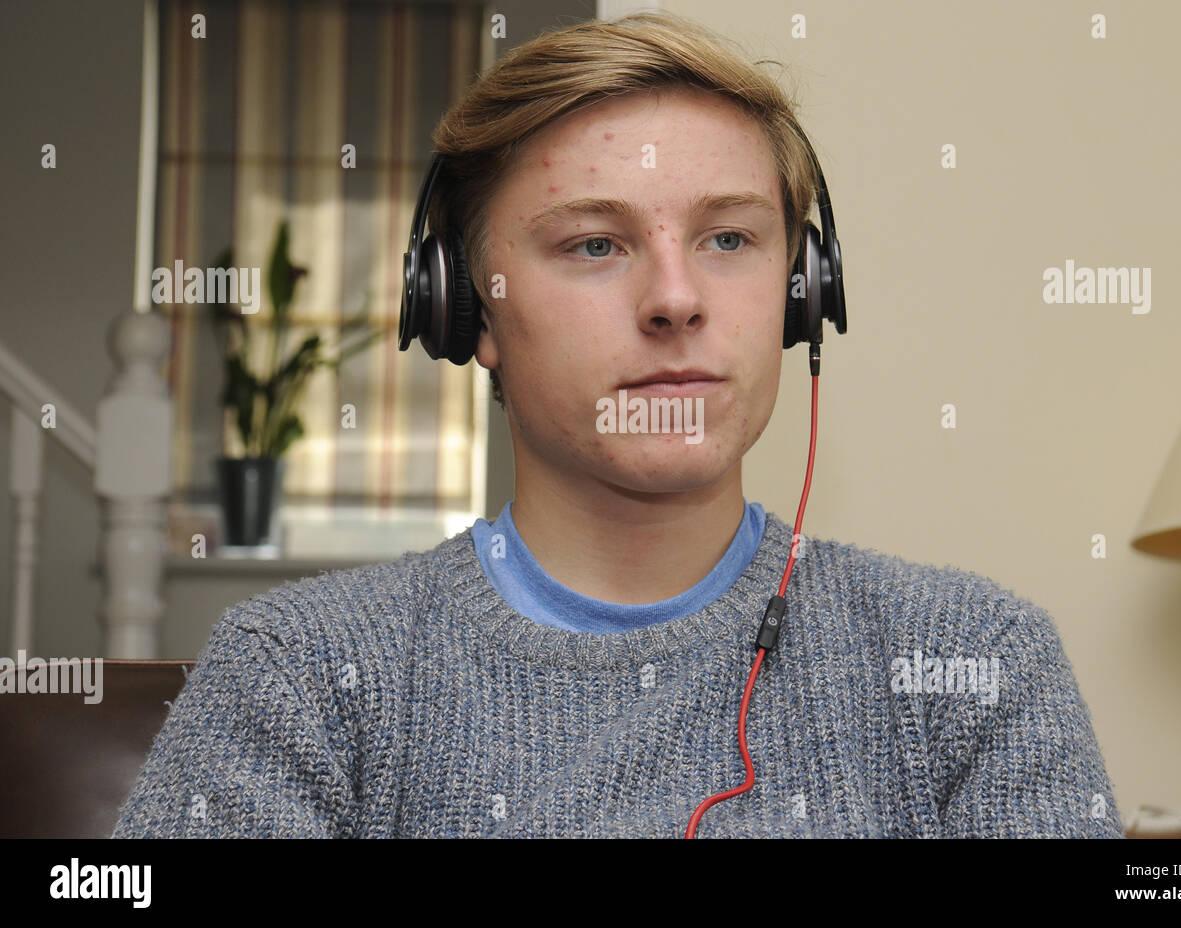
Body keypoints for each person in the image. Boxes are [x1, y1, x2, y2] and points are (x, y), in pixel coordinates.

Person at [113, 10, 1123, 839]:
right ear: (468, 309)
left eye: (729, 237)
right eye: (596, 244)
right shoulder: (297, 673)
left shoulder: (974, 661)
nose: (676, 298)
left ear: (802, 292)